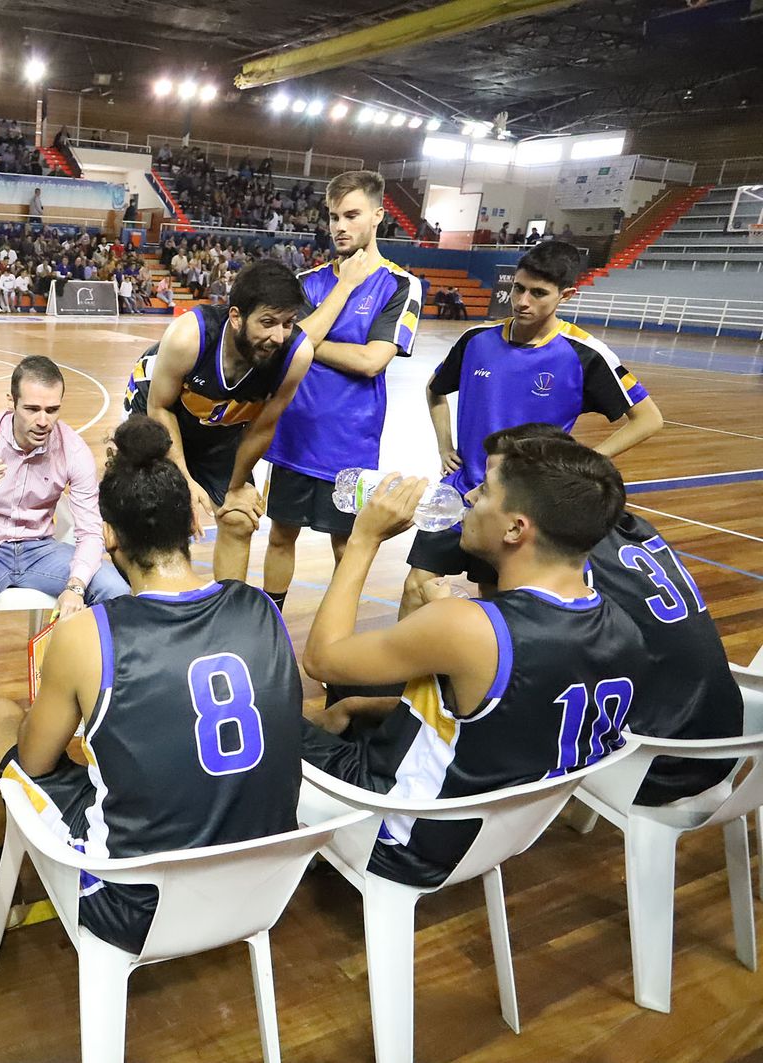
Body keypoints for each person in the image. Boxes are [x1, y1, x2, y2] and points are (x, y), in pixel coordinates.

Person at [0, 415, 302, 947]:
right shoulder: (262, 607)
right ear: (193, 525)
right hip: (264, 886)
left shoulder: (88, 634)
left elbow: (35, 761)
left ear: (110, 537)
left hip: (134, 907)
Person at [300, 438, 646, 888]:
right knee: (356, 696)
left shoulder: (468, 627)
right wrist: (357, 707)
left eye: (483, 492)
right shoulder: (624, 626)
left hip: (399, 835)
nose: (468, 496)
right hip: (498, 837)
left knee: (257, 708)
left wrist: (364, 539)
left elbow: (321, 659)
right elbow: (510, 722)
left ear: (515, 529)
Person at [486, 424, 744, 804]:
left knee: (484, 703)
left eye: (491, 487)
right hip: (724, 737)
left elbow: (520, 665)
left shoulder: (564, 566)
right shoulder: (633, 526)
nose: (475, 494)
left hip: (657, 762)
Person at [402, 240, 663, 609]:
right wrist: (445, 446)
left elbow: (649, 419)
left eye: (538, 293)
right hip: (459, 493)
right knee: (417, 586)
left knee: (497, 599)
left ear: (566, 295)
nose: (522, 301)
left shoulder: (584, 354)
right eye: (518, 288)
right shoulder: (476, 340)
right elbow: (435, 388)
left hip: (521, 508)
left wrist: (579, 466)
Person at [121, 258, 360, 583]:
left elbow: (262, 427)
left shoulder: (296, 355)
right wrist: (184, 480)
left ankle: (230, 604)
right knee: (158, 515)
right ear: (236, 317)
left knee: (239, 517)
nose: (278, 336)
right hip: (155, 416)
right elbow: (159, 408)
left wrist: (235, 488)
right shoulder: (189, 336)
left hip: (218, 427)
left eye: (288, 323)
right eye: (268, 322)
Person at [0, 358, 129, 743]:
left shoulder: (72, 448)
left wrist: (75, 586)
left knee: (116, 590)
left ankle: (108, 694)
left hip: (41, 550)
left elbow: (90, 531)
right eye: (33, 409)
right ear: (11, 402)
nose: (43, 421)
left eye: (52, 410)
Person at [263, 171, 424, 613]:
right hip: (294, 436)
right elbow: (288, 344)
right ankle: (272, 622)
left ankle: (335, 634)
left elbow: (372, 360)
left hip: (350, 442)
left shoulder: (400, 285)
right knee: (280, 535)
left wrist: (309, 342)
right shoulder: (307, 281)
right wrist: (309, 338)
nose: (339, 226)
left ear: (377, 216)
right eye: (334, 216)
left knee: (345, 546)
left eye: (351, 215)